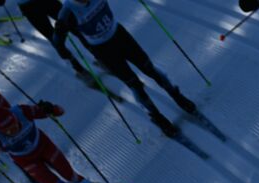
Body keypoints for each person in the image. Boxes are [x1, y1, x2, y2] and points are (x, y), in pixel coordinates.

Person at [52, 0, 199, 136]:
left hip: (120, 36)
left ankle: (177, 96)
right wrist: (62, 45)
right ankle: (157, 116)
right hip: (103, 50)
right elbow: (57, 40)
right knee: (134, 83)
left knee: (150, 69)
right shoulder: (68, 12)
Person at [0, 101, 76, 183]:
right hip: (26, 160)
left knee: (70, 175)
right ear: (0, 130)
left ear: (16, 118)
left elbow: (60, 111)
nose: (13, 131)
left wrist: (50, 108)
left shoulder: (22, 111)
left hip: (44, 146)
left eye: (14, 126)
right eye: (8, 131)